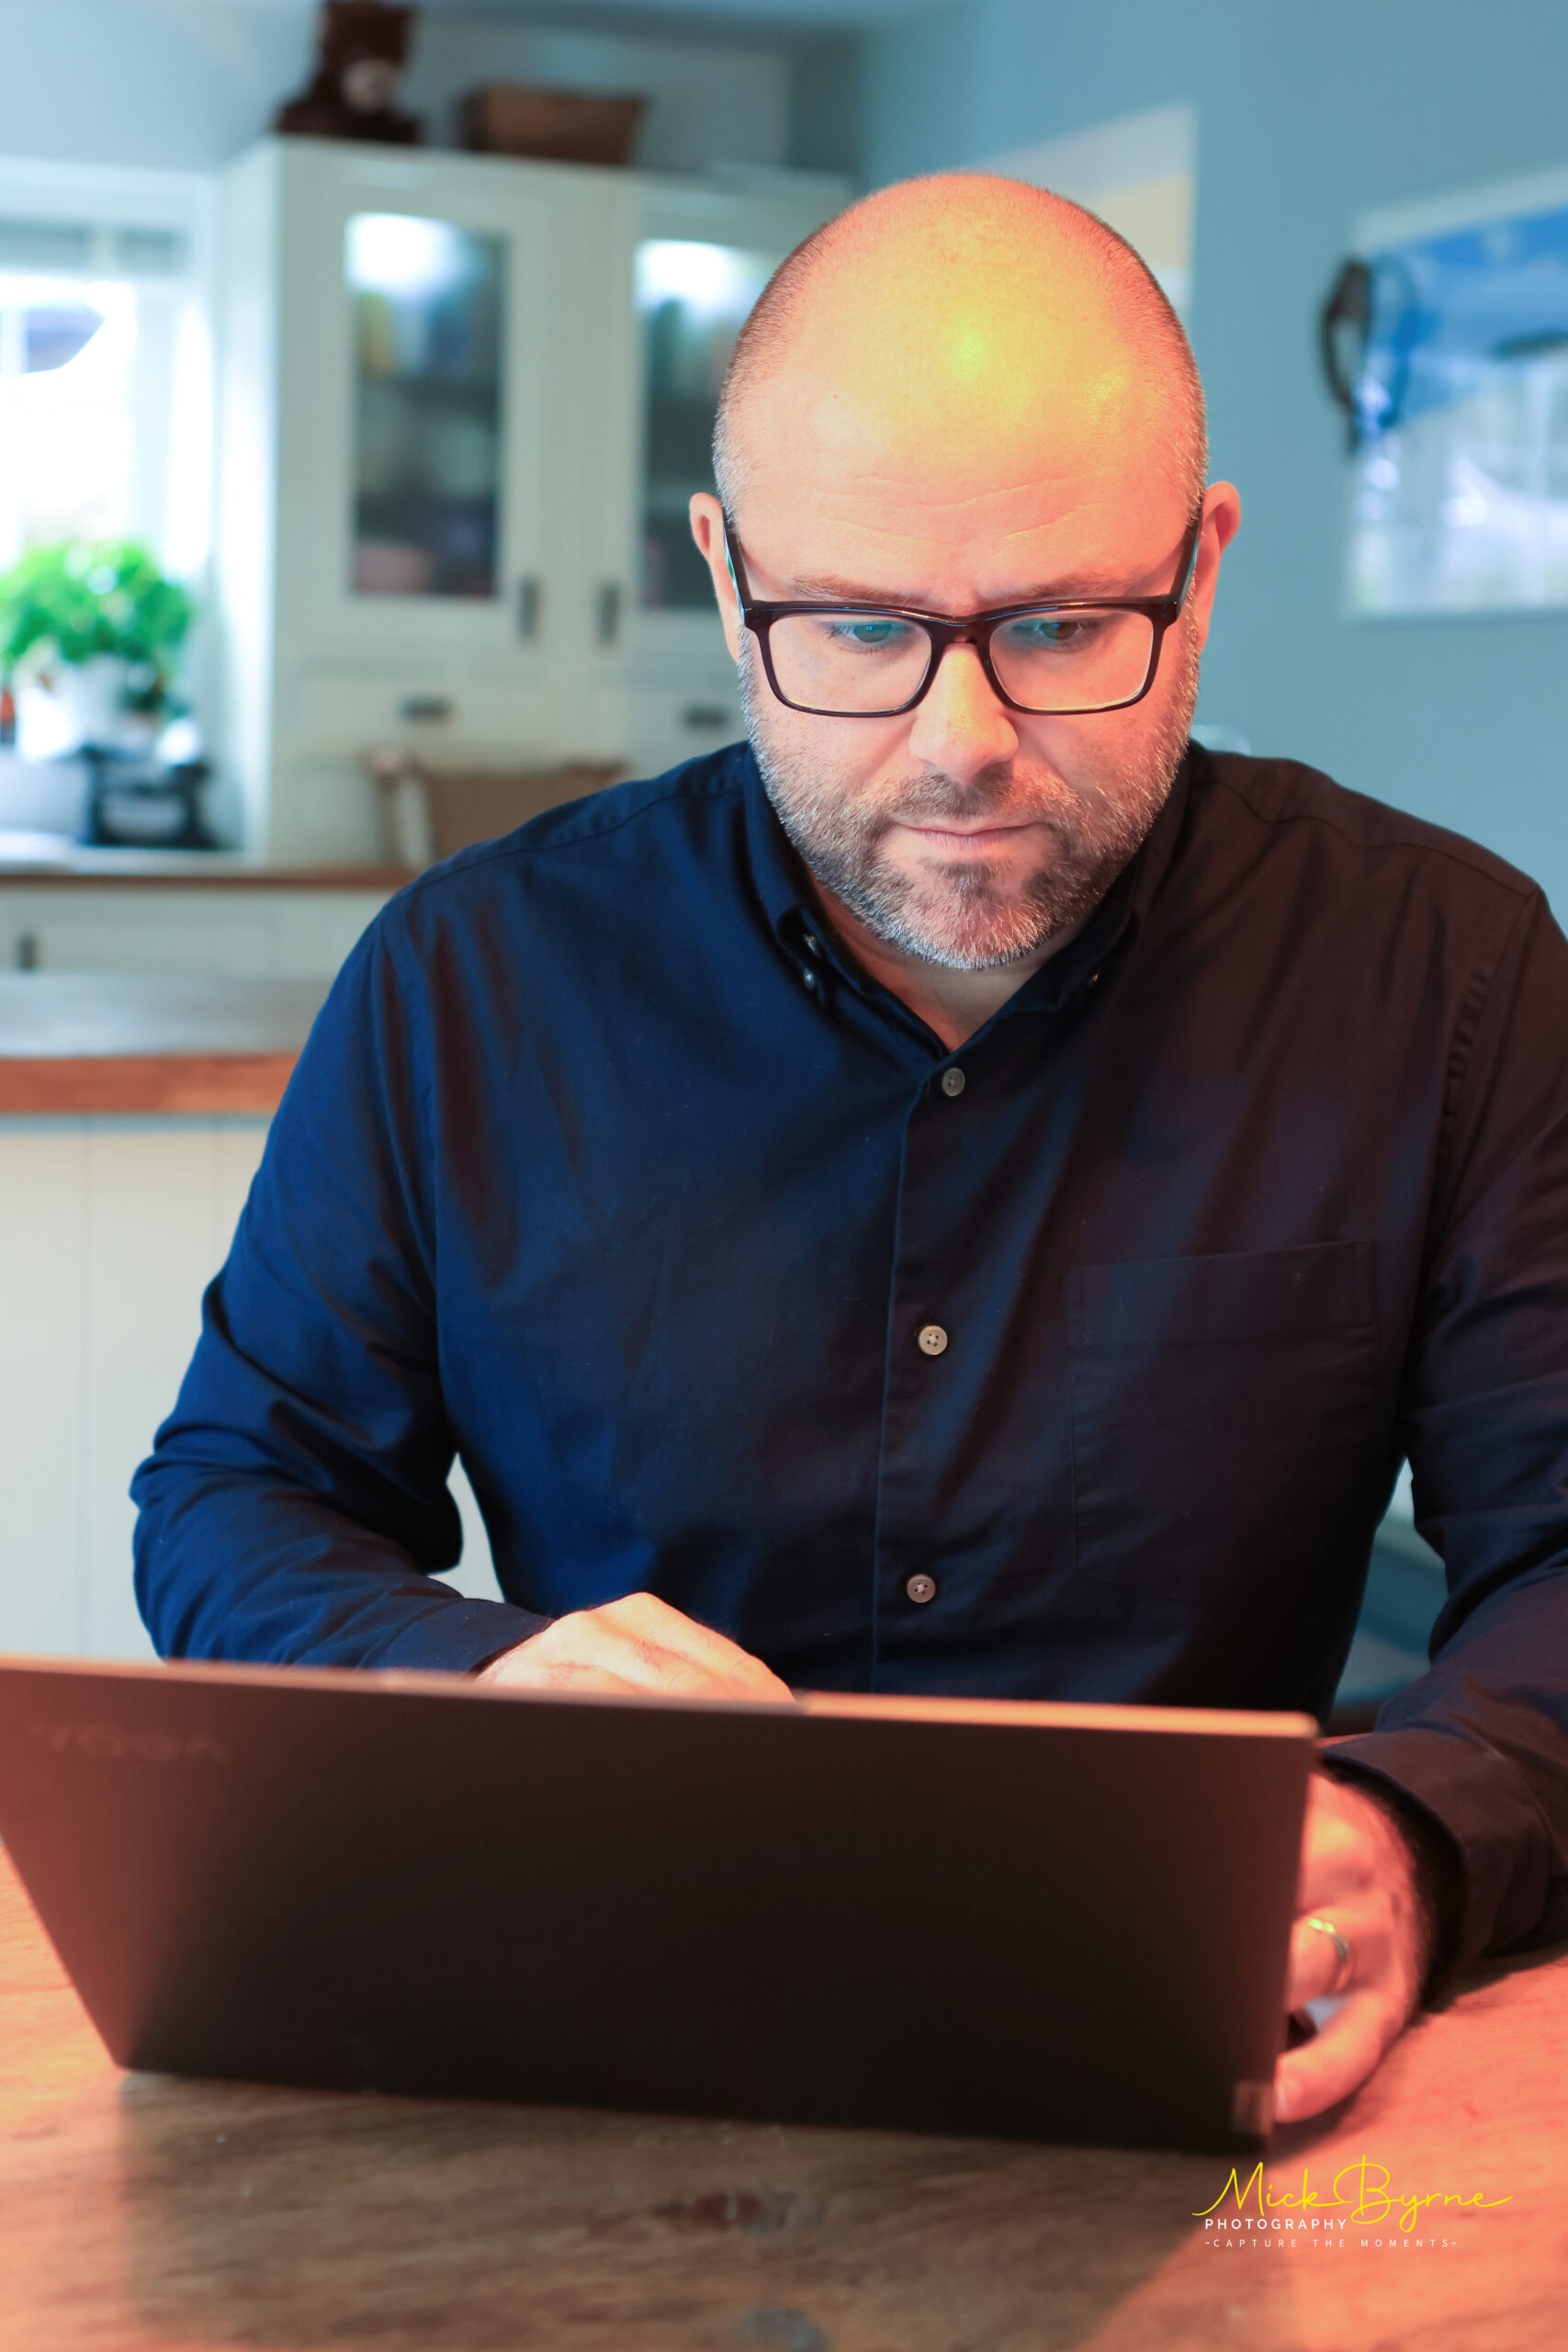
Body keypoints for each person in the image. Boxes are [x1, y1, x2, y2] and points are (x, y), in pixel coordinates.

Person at [134, 175, 1568, 2131]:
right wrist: (470, 1679)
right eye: (856, 628)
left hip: (1188, 2051)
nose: (959, 740)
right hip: (591, 2027)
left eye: (1064, 625)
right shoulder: (469, 980)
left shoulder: (1445, 973)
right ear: (726, 581)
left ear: (1202, 568)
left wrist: (1408, 1833)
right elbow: (239, 1494)